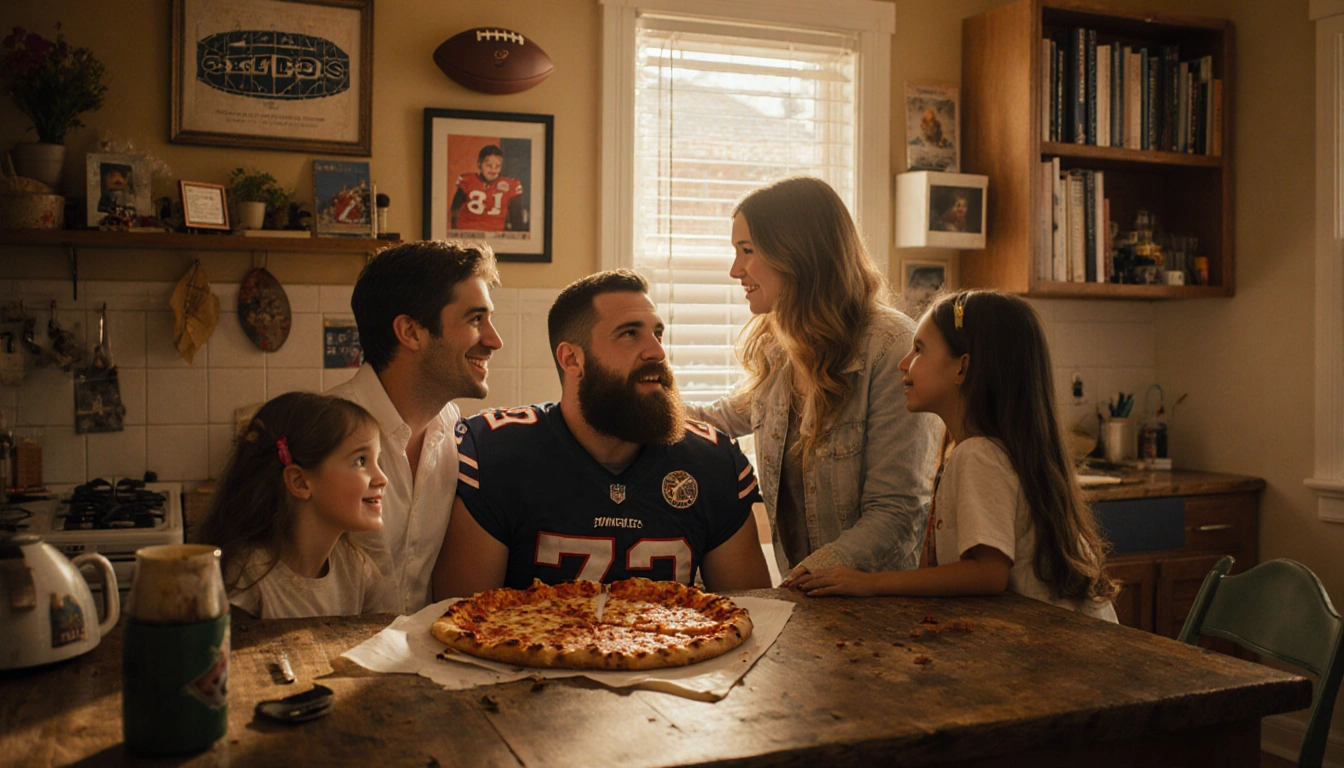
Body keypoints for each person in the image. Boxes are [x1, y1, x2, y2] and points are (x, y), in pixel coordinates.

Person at [432, 270, 772, 597]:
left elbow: (751, 617)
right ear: (571, 359)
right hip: (526, 637)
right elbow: (464, 622)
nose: (657, 352)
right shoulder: (495, 452)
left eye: (657, 334)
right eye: (630, 333)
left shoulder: (713, 460)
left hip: (671, 637)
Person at [791, 291, 1120, 622]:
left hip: (1063, 647)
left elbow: (988, 573)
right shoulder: (985, 452)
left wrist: (870, 583)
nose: (903, 363)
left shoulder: (979, 455)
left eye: (919, 349)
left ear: (962, 367)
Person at [687, 176, 940, 586]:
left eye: (747, 251)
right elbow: (718, 419)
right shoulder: (779, 348)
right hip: (807, 597)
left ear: (796, 252)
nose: (735, 270)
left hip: (878, 605)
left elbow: (896, 514)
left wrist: (803, 580)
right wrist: (637, 402)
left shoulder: (890, 348)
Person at [326, 240, 502, 613]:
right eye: (476, 320)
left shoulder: (452, 426)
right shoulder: (323, 433)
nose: (494, 341)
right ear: (410, 332)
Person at [198, 392, 391, 618]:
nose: (382, 478)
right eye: (361, 461)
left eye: (378, 461)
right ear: (299, 482)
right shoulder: (246, 580)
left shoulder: (358, 570)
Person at [451, 144, 525, 232]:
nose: (493, 169)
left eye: (497, 166)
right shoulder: (467, 181)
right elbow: (454, 211)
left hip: (495, 234)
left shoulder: (510, 185)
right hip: (467, 232)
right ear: (479, 164)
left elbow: (517, 220)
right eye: (489, 165)